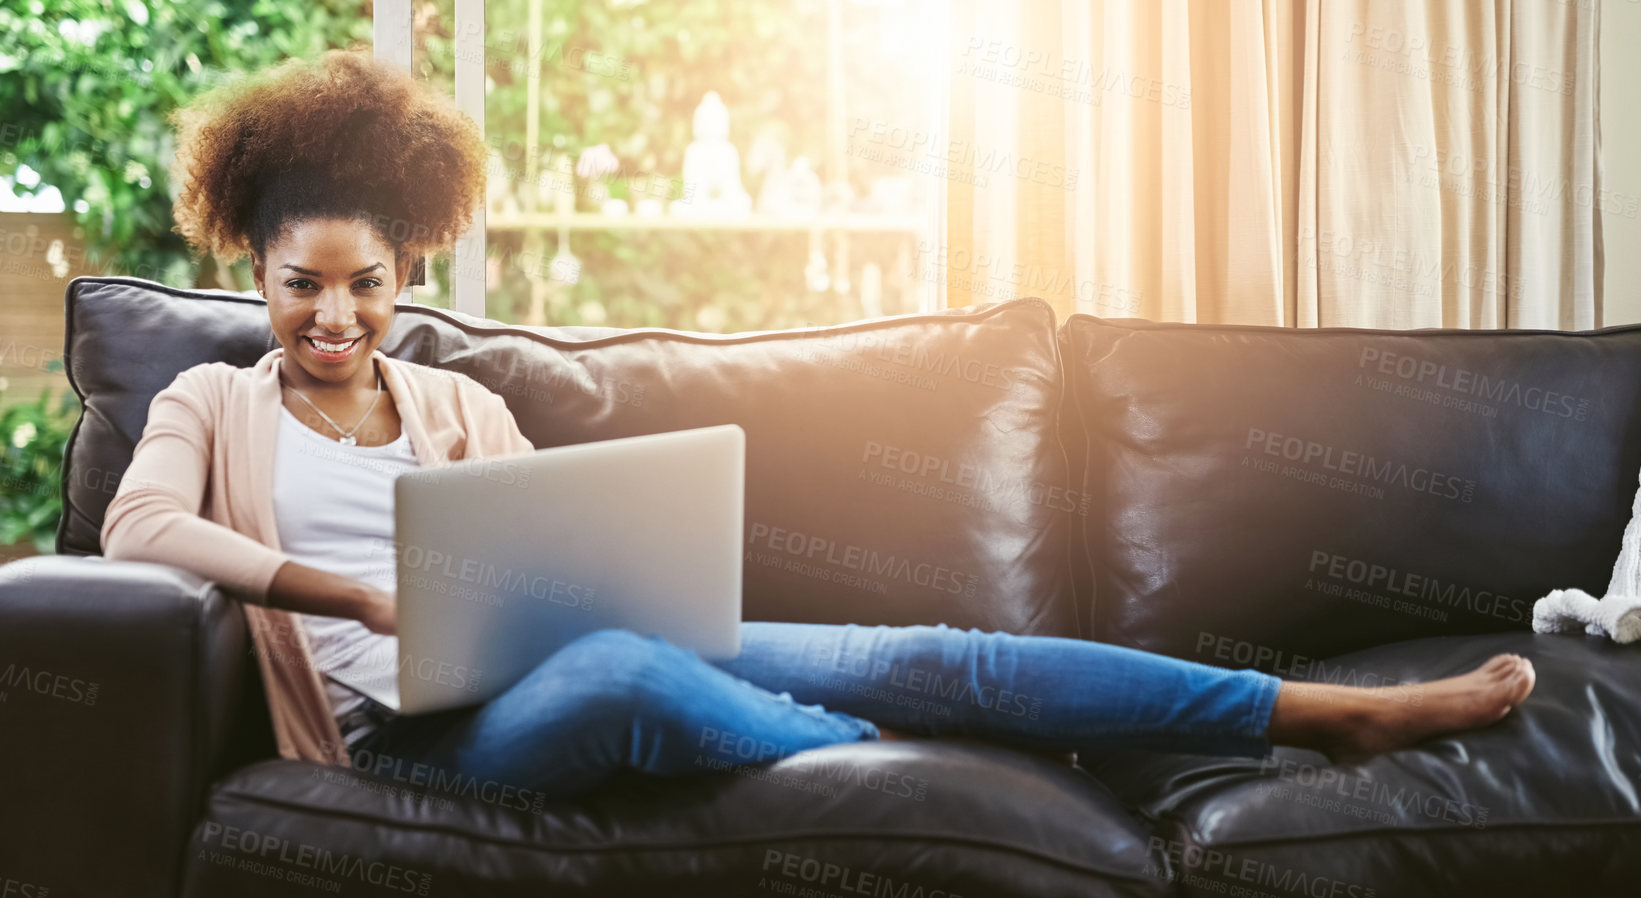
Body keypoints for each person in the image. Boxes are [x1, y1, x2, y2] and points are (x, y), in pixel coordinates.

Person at [102, 49, 1536, 799]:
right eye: (303, 287)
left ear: (410, 273)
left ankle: (1317, 713)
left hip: (559, 654)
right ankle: (939, 768)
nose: (334, 318)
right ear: (256, 273)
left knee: (927, 648)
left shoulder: (461, 404)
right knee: (620, 680)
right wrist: (347, 588)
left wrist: (564, 583)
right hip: (411, 739)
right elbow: (141, 526)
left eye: (366, 284)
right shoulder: (211, 401)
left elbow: (541, 570)